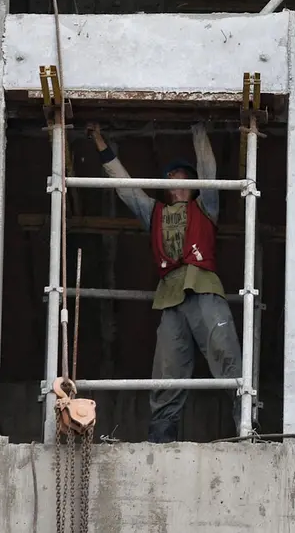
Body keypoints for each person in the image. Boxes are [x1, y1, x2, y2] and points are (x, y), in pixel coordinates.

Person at [88, 122, 243, 443]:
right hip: (170, 298)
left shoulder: (205, 205)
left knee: (227, 359)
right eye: (171, 179)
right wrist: (101, 143)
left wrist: (198, 126)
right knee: (167, 372)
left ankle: (247, 427)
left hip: (204, 288)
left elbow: (209, 171)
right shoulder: (154, 212)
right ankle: (162, 438)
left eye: (184, 178)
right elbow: (126, 187)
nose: (177, 184)